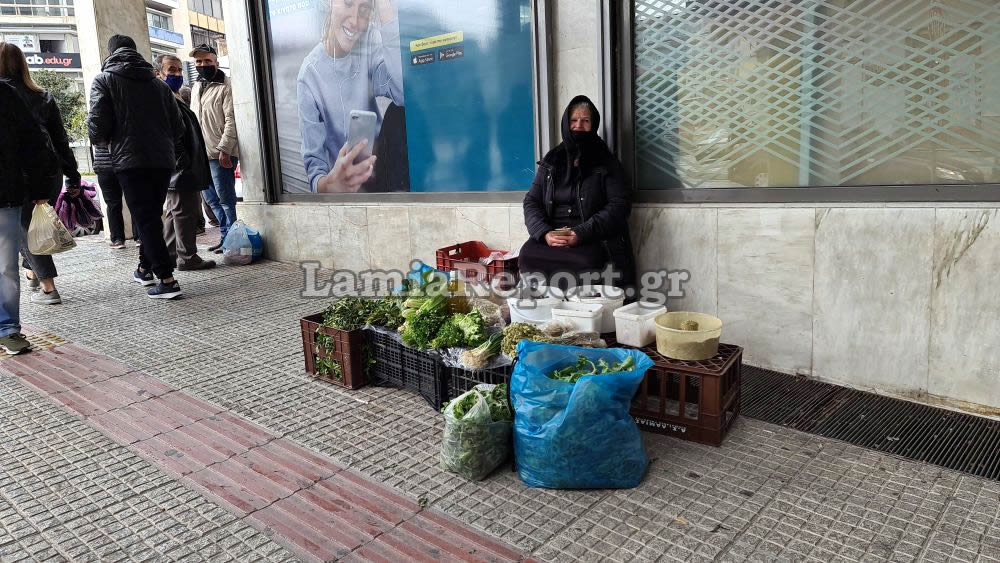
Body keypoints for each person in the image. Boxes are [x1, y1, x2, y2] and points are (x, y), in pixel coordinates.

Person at [88, 35, 185, 299]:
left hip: (129, 161)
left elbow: (97, 127)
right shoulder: (159, 85)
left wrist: (109, 140)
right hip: (162, 161)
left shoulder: (103, 80)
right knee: (151, 215)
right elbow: (179, 127)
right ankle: (145, 269)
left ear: (110, 53)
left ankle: (166, 279)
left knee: (146, 217)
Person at [520, 95, 636, 292]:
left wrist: (580, 234)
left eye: (585, 121)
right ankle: (546, 310)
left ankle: (580, 313)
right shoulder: (552, 159)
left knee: (585, 260)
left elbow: (619, 205)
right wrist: (544, 233)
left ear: (594, 124)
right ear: (566, 123)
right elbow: (531, 200)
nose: (579, 126)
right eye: (574, 120)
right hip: (553, 234)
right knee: (527, 254)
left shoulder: (606, 162)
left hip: (591, 236)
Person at [0, 42, 81, 306]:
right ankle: (32, 272)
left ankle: (49, 287)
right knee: (32, 225)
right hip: (50, 173)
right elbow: (61, 140)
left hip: (16, 173)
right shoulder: (42, 95)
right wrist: (73, 176)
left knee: (23, 229)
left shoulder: (4, 96)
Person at [297, 0, 404, 193]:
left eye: (364, 10)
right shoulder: (309, 75)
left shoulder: (369, 39)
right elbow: (315, 173)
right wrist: (332, 185)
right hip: (349, 191)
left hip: (385, 172)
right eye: (348, 4)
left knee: (397, 114)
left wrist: (385, 9)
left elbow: (402, 92)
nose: (355, 21)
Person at [0, 77, 57, 354]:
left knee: (5, 266)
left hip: (4, 194)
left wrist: (38, 187)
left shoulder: (5, 94)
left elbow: (32, 143)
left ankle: (8, 328)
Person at [154, 54, 216, 271]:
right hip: (180, 168)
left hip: (180, 166)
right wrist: (183, 163)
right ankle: (188, 257)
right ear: (158, 73)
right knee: (184, 213)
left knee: (174, 213)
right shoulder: (164, 98)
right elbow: (172, 135)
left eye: (179, 70)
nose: (177, 74)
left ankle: (170, 256)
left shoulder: (173, 96)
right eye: (171, 70)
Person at [189, 43, 238, 253]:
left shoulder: (226, 85)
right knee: (211, 200)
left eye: (207, 61)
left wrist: (225, 149)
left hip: (220, 154)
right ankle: (225, 235)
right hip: (201, 154)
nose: (203, 65)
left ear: (216, 62)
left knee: (226, 199)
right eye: (199, 62)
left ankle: (233, 241)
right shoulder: (196, 87)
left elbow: (231, 119)